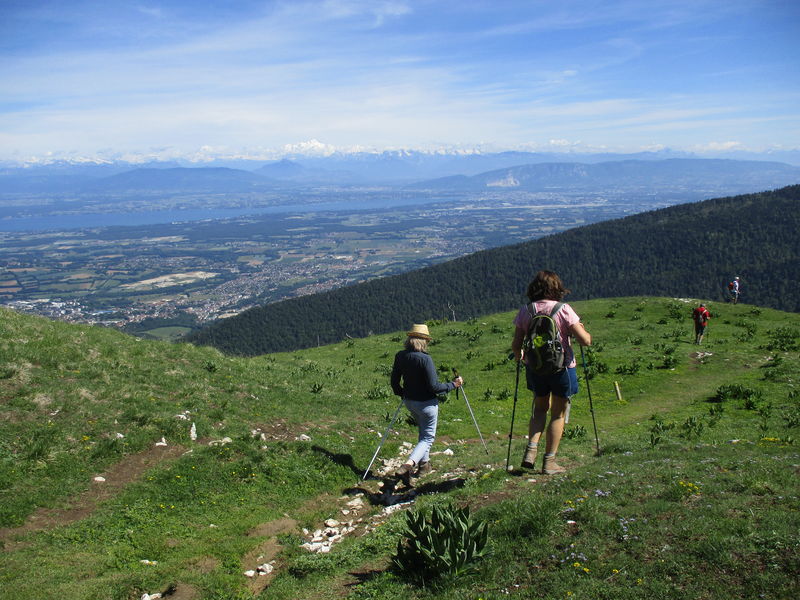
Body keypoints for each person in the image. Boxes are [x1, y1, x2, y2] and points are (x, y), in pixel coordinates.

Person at [511, 271, 591, 475]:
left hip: (535, 367)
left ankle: (531, 449)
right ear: (557, 288)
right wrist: (581, 329)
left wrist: (523, 358)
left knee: (539, 409)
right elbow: (585, 341)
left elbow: (516, 344)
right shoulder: (563, 309)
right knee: (558, 413)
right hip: (561, 367)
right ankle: (549, 462)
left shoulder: (526, 311)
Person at [390, 323, 462, 486]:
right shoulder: (425, 359)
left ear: (409, 339)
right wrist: (453, 385)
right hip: (427, 403)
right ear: (424, 341)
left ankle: (424, 466)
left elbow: (394, 381)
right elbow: (434, 387)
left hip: (410, 402)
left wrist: (402, 394)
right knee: (428, 437)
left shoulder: (400, 356)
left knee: (423, 433)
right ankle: (408, 465)